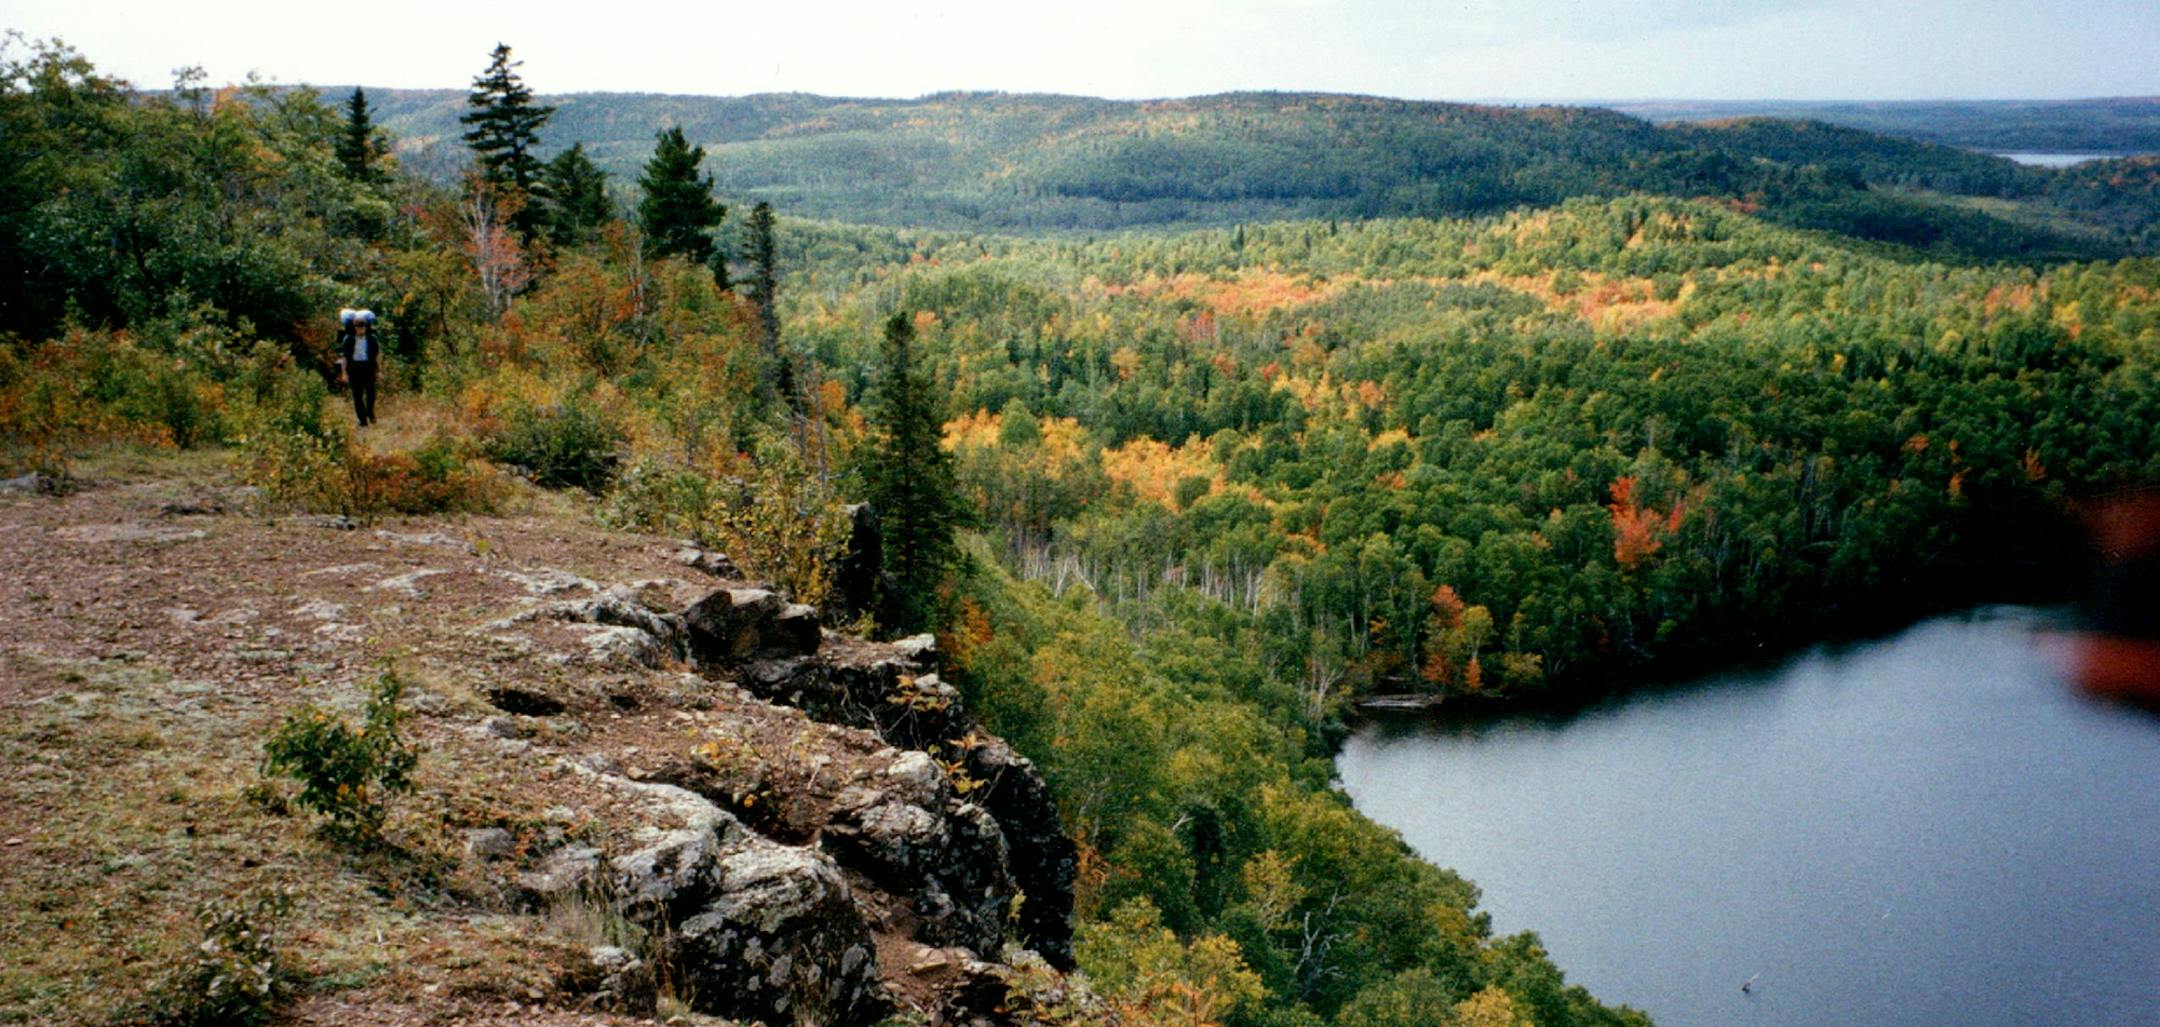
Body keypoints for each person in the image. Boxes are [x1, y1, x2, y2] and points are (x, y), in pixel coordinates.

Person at [336, 308, 381, 427]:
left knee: (371, 393)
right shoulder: (348, 339)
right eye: (358, 327)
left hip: (368, 368)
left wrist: (378, 370)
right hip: (354, 369)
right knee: (357, 396)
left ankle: (370, 412)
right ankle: (362, 421)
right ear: (355, 327)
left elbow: (377, 355)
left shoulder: (371, 339)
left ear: (366, 327)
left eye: (363, 327)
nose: (361, 329)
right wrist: (344, 373)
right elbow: (345, 358)